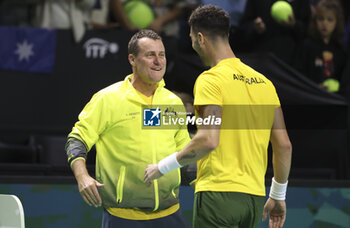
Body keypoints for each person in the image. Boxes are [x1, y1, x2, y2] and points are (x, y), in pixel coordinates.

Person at [144, 5, 292, 228]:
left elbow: (208, 140)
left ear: (201, 38)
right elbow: (284, 145)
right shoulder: (265, 83)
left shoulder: (210, 80)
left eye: (193, 38)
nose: (193, 45)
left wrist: (161, 167)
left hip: (218, 195)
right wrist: (278, 195)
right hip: (253, 199)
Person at [65, 29, 191, 228]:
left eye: (162, 54)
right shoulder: (108, 99)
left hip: (171, 214)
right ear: (132, 59)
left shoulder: (172, 102)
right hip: (123, 217)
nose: (158, 61)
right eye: (150, 55)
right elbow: (77, 139)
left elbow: (186, 151)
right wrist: (82, 176)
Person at [296, 0, 347, 93]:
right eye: (321, 19)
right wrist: (314, 87)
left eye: (330, 19)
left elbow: (343, 79)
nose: (325, 23)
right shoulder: (307, 45)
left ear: (337, 22)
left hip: (334, 100)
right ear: (315, 20)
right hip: (311, 96)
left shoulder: (341, 50)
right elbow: (299, 74)